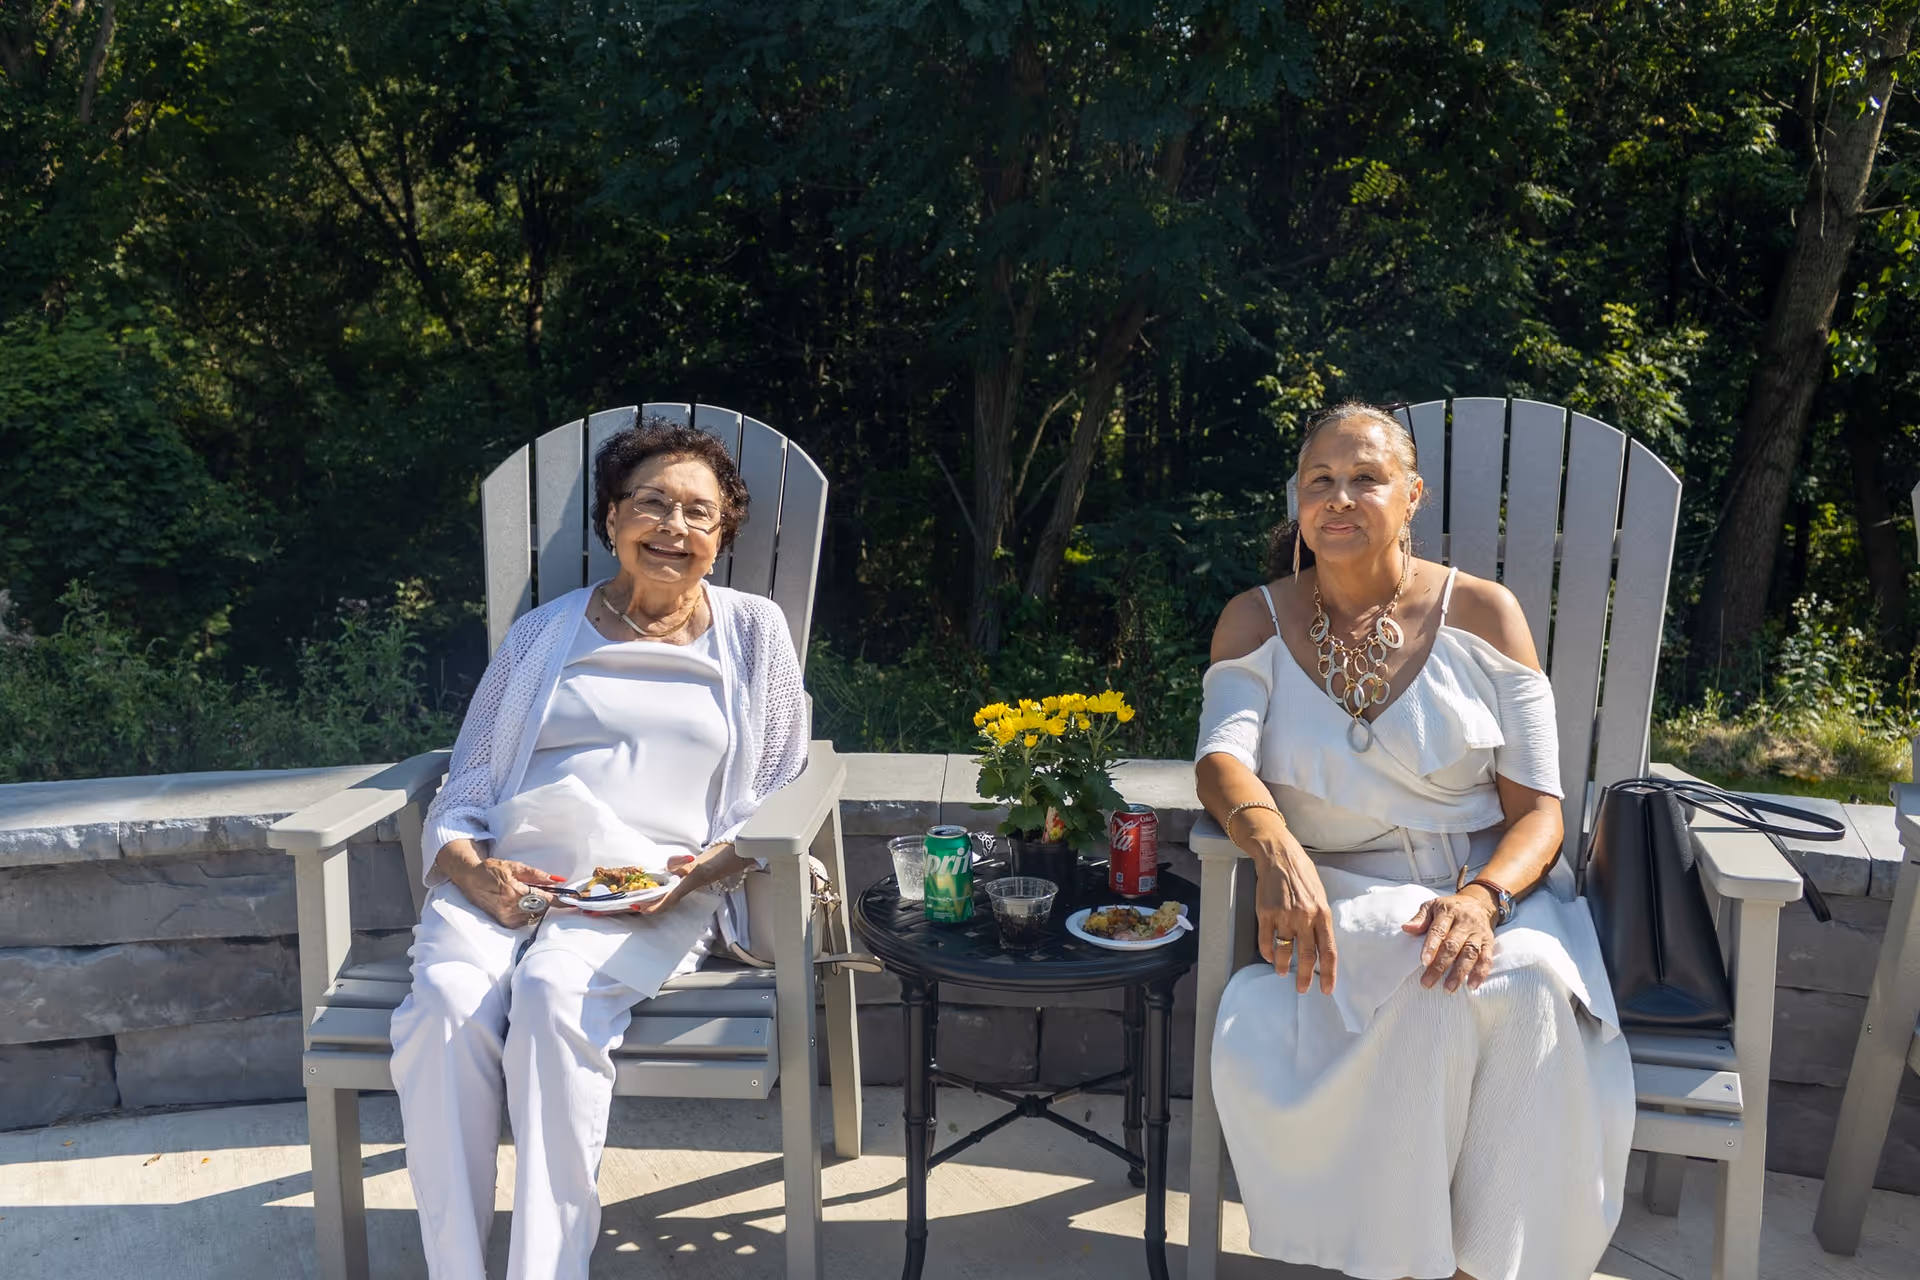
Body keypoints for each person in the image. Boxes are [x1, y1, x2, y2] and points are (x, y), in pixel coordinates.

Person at [1194, 403, 1633, 1280]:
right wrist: (1277, 851)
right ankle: (1412, 1263)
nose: (1340, 497)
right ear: (1298, 501)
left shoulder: (1486, 614)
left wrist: (1483, 898)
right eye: (1320, 481)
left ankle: (1484, 1269)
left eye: (1366, 477)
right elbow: (1220, 762)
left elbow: (1541, 811)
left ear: (1412, 496)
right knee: (1430, 980)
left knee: (1533, 978)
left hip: (1495, 889)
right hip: (1343, 895)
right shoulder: (1257, 621)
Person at [390, 417, 808, 1280]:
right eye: (652, 504)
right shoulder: (542, 635)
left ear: (723, 535)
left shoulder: (754, 632)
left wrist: (713, 868)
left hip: (652, 885)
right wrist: (472, 870)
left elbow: (779, 782)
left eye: (699, 513)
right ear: (613, 519)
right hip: (514, 873)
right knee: (443, 1006)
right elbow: (467, 783)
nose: (674, 528)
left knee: (551, 996)